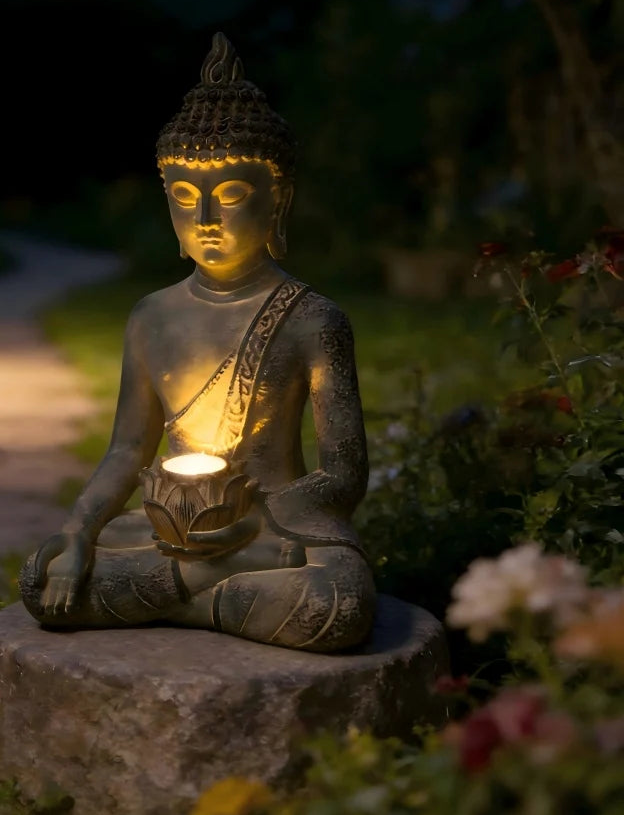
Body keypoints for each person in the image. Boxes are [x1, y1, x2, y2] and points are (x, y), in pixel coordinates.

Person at [20, 33, 375, 652]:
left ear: (278, 200)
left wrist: (256, 524)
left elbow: (343, 472)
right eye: (185, 198)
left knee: (336, 604)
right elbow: (128, 449)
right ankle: (208, 590)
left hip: (274, 533)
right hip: (168, 529)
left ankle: (178, 592)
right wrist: (79, 530)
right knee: (38, 578)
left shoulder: (314, 318)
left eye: (232, 196)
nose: (206, 218)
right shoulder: (151, 316)